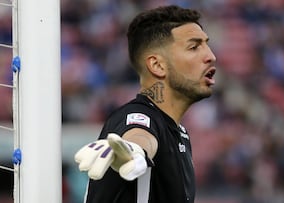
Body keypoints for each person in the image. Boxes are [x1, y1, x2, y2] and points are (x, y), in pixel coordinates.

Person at [74, 5, 217, 203]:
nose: (211, 56)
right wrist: (133, 150)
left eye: (206, 45)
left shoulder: (179, 133)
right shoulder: (138, 116)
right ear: (157, 65)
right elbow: (139, 134)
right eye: (194, 47)